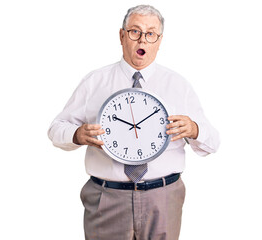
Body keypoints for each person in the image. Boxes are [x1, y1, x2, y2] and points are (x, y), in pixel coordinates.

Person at [48, 4, 220, 240]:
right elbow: (56, 129)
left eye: (150, 34)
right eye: (135, 32)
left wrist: (194, 129)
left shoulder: (178, 85)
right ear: (121, 36)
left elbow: (212, 143)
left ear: (159, 41)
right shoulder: (94, 82)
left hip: (164, 196)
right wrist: (77, 134)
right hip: (106, 199)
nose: (142, 40)